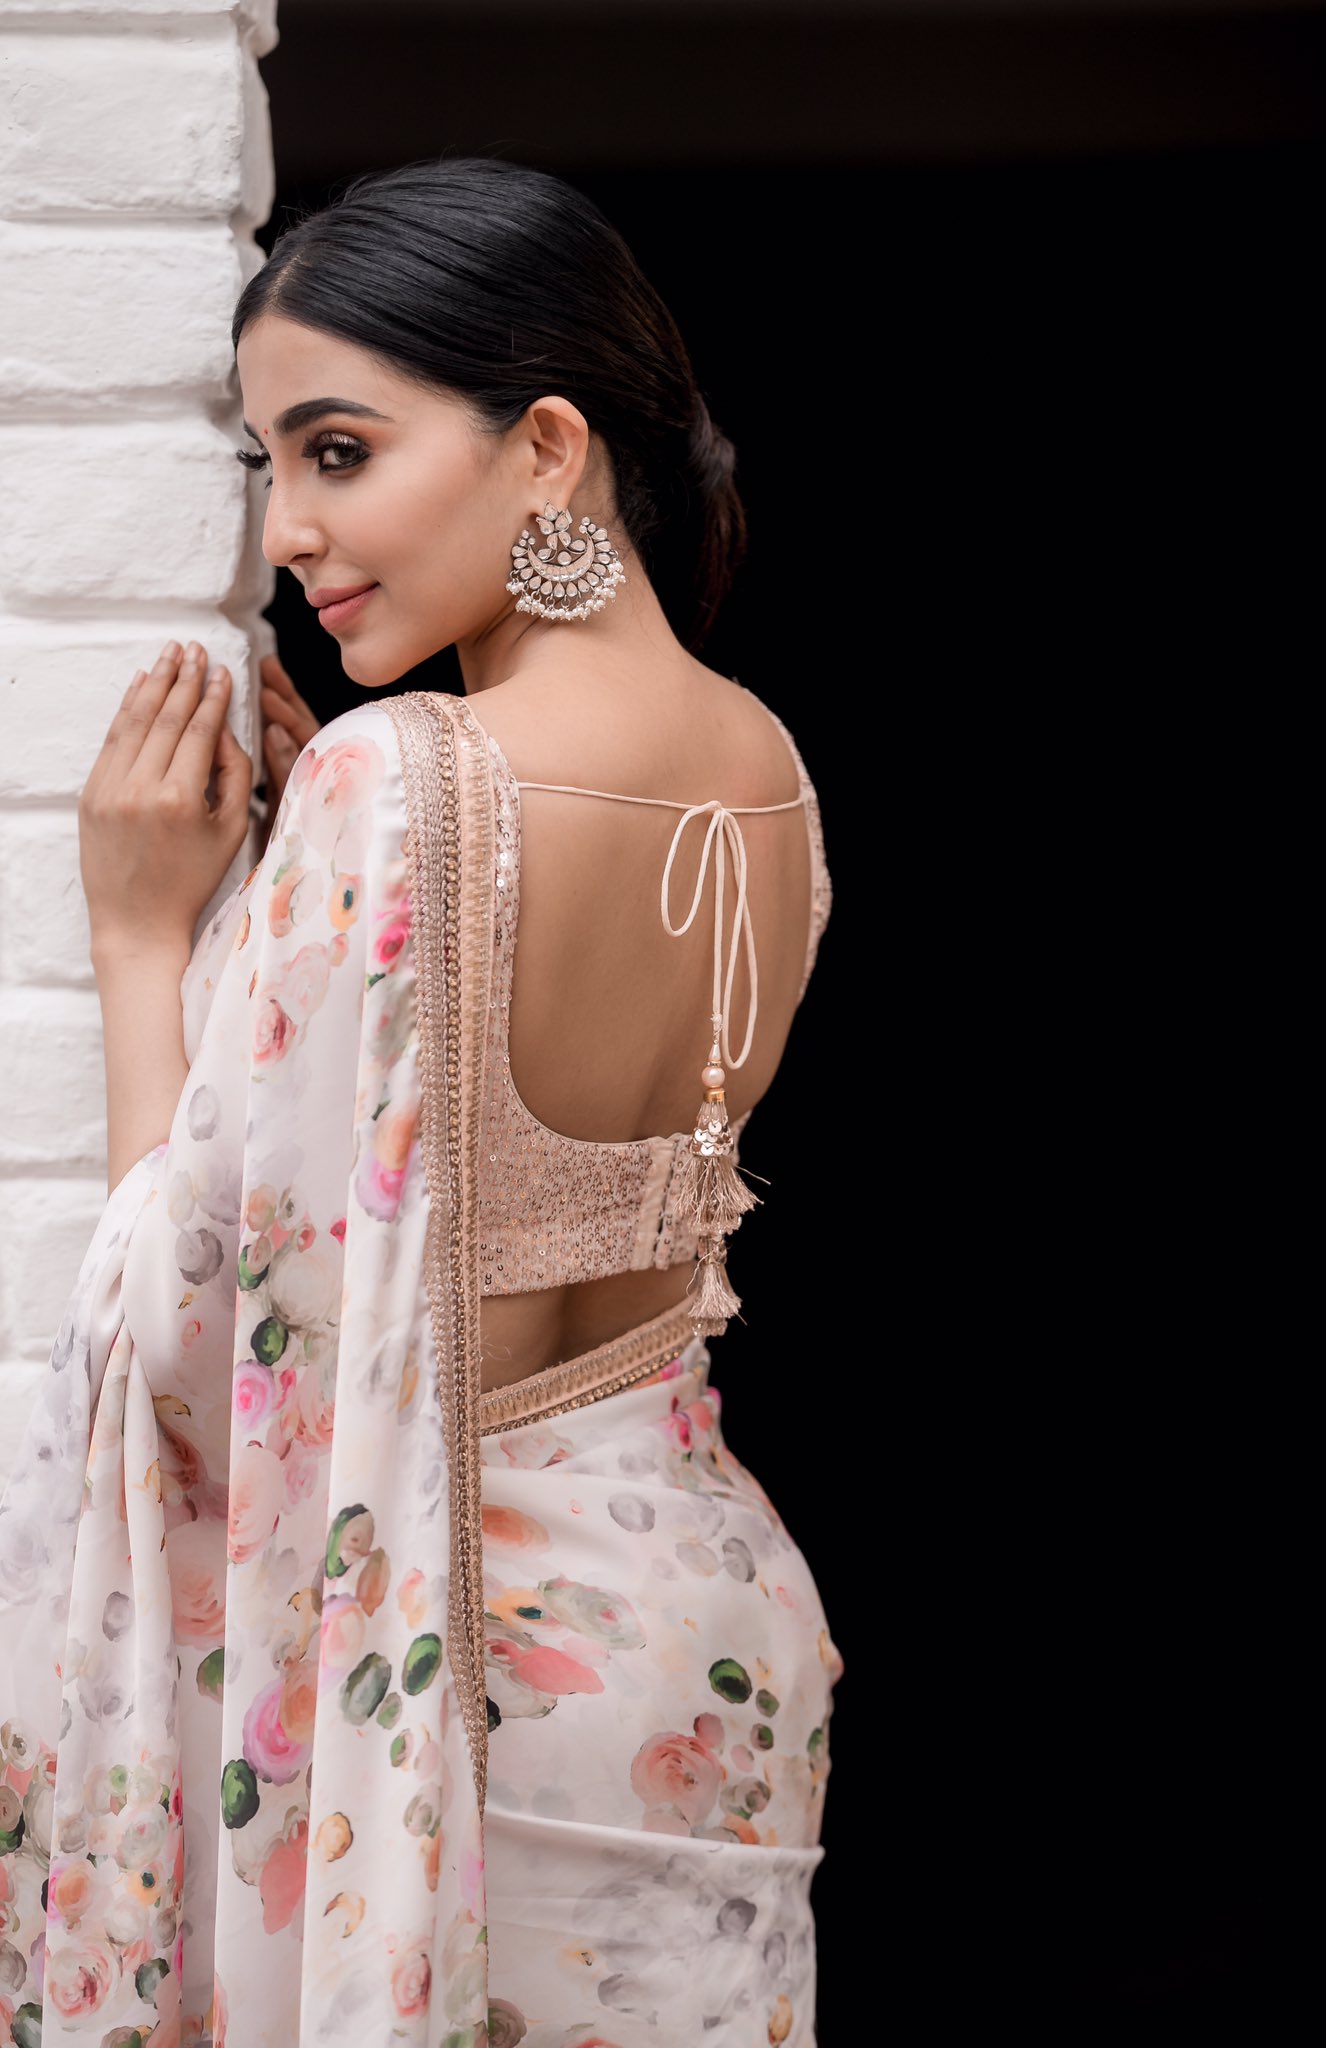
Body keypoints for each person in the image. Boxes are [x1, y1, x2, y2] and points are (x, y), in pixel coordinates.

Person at [0, 156, 840, 2047]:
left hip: (469, 1687)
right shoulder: (770, 774)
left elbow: (199, 1336)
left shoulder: (398, 782)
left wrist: (143, 939)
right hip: (707, 1637)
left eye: (338, 450)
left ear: (546, 448)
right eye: (265, 466)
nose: (289, 529)